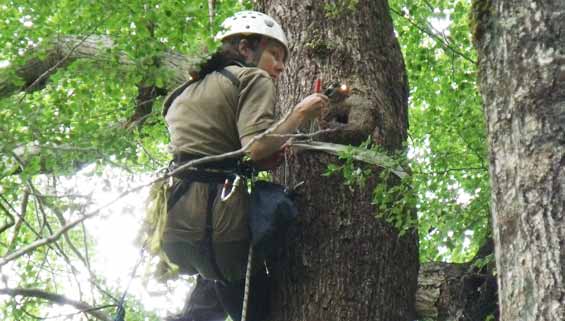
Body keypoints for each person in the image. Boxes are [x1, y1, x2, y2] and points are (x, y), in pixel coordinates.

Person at [161, 10, 328, 321]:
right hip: (220, 223)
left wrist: (264, 157)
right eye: (275, 55)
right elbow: (255, 146)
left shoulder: (183, 93)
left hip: (176, 221)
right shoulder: (253, 77)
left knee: (213, 288)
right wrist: (300, 112)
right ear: (245, 49)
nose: (280, 67)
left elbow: (212, 148)